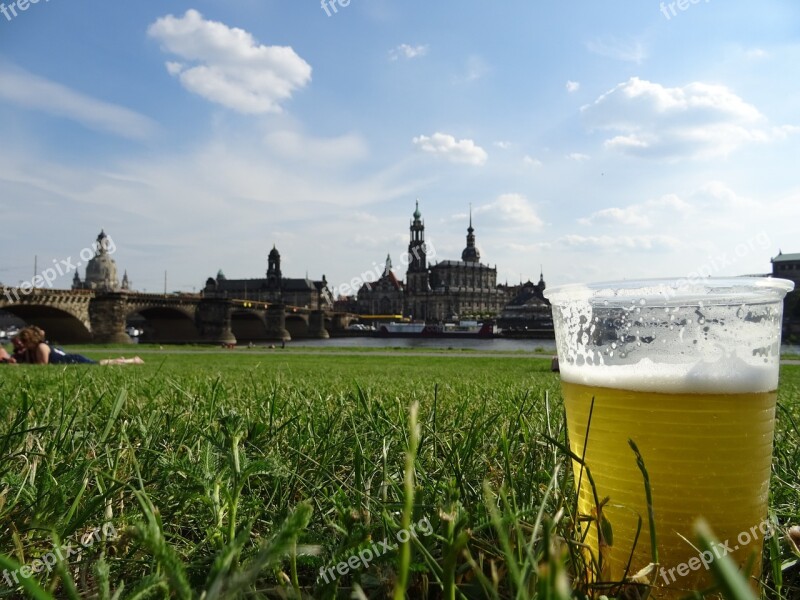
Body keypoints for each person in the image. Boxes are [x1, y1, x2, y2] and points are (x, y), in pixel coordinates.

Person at [13, 327, 144, 365]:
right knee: (99, 363)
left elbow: (42, 366)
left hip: (72, 360)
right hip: (70, 359)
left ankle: (132, 360)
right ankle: (124, 359)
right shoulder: (37, 347)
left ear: (31, 340)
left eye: (25, 342)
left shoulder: (41, 347)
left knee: (99, 364)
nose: (24, 345)